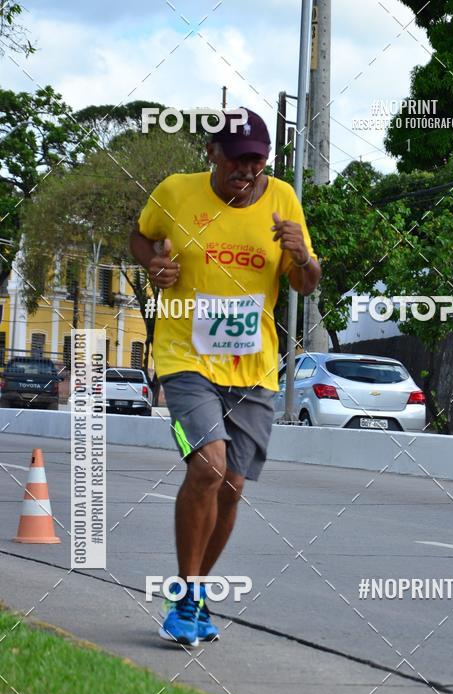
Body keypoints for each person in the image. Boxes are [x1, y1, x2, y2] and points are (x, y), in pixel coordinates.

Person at [130, 107, 321, 646]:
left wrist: (301, 255)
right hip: (186, 358)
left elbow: (307, 283)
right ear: (212, 153)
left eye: (257, 160)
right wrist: (153, 265)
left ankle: (195, 593)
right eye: (238, 159)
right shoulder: (176, 192)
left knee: (233, 486)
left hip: (255, 366)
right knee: (209, 468)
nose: (248, 170)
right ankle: (187, 597)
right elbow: (141, 238)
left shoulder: (282, 199)